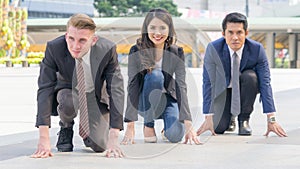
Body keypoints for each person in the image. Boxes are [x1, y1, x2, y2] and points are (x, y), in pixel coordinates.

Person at [31, 13, 125, 158]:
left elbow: (116, 89)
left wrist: (114, 136)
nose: (75, 46)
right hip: (69, 91)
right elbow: (45, 88)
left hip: (95, 94)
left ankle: (90, 133)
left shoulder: (107, 50)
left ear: (93, 40)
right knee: (68, 102)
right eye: (71, 39)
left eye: (82, 40)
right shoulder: (54, 48)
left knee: (100, 145)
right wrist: (43, 138)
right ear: (66, 35)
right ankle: (66, 127)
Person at [197, 12, 287, 137]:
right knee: (219, 128)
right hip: (223, 91)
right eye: (230, 32)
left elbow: (265, 83)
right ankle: (229, 118)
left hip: (244, 88)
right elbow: (208, 82)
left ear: (246, 33)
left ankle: (243, 119)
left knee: (251, 76)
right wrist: (208, 117)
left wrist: (271, 119)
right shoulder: (213, 49)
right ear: (223, 34)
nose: (235, 37)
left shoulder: (257, 49)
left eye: (239, 32)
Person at [121, 8, 200, 145]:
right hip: (145, 102)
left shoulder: (176, 52)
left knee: (175, 136)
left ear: (169, 29)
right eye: (152, 28)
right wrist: (130, 126)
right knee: (155, 76)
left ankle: (166, 129)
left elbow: (181, 85)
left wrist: (188, 124)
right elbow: (132, 85)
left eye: (162, 28)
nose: (157, 33)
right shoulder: (136, 50)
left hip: (168, 99)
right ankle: (149, 124)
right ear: (146, 29)